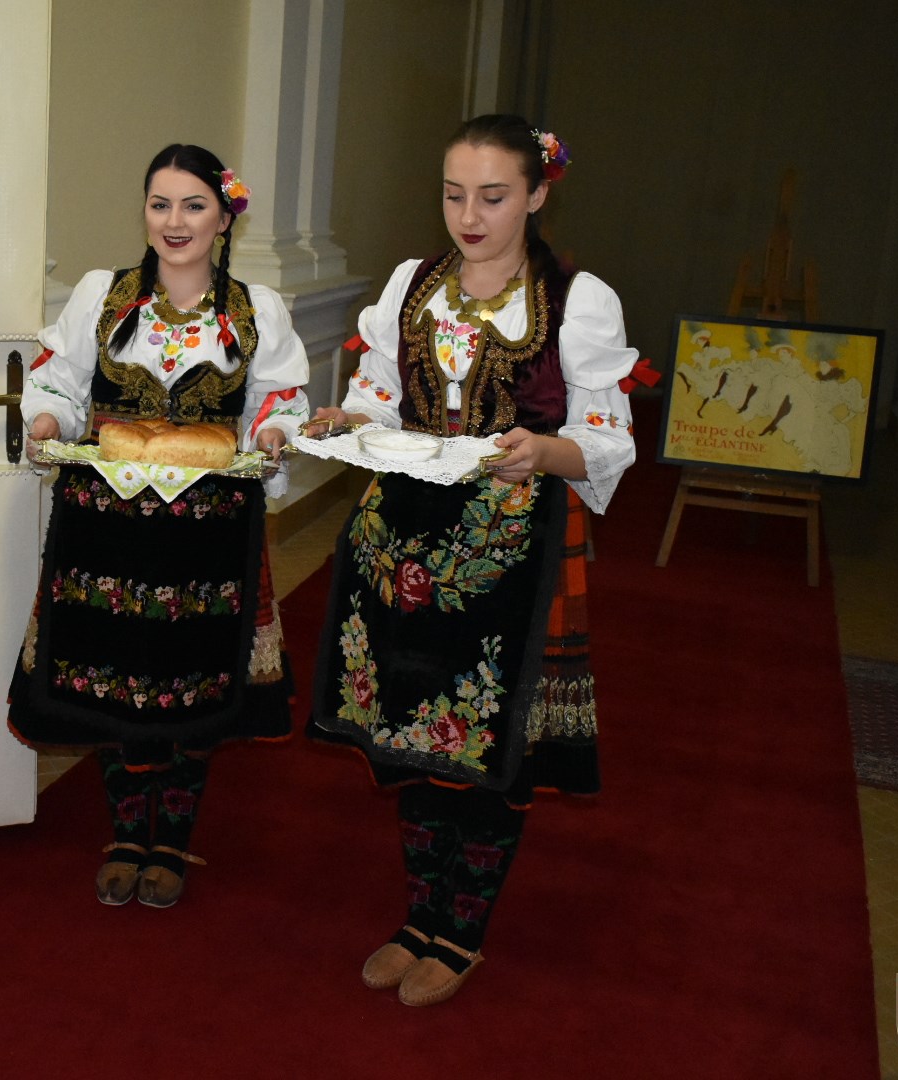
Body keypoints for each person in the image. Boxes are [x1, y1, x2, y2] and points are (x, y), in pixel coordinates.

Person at [305, 115, 636, 1006]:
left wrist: (544, 450)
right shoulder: (412, 285)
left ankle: (462, 933)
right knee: (412, 729)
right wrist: (350, 418)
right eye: (455, 195)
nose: (469, 216)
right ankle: (420, 917)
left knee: (492, 739)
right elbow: (382, 392)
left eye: (493, 196)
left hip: (513, 549)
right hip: (405, 540)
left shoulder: (577, 301)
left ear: (536, 194)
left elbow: (608, 438)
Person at [9, 144, 310, 909]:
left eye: (193, 205)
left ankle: (170, 838)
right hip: (104, 527)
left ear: (223, 217)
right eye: (160, 204)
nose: (175, 221)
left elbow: (278, 398)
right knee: (115, 681)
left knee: (192, 683)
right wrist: (46, 419)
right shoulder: (103, 295)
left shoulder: (255, 309)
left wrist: (274, 435)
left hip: (210, 533)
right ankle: (124, 834)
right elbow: (57, 381)